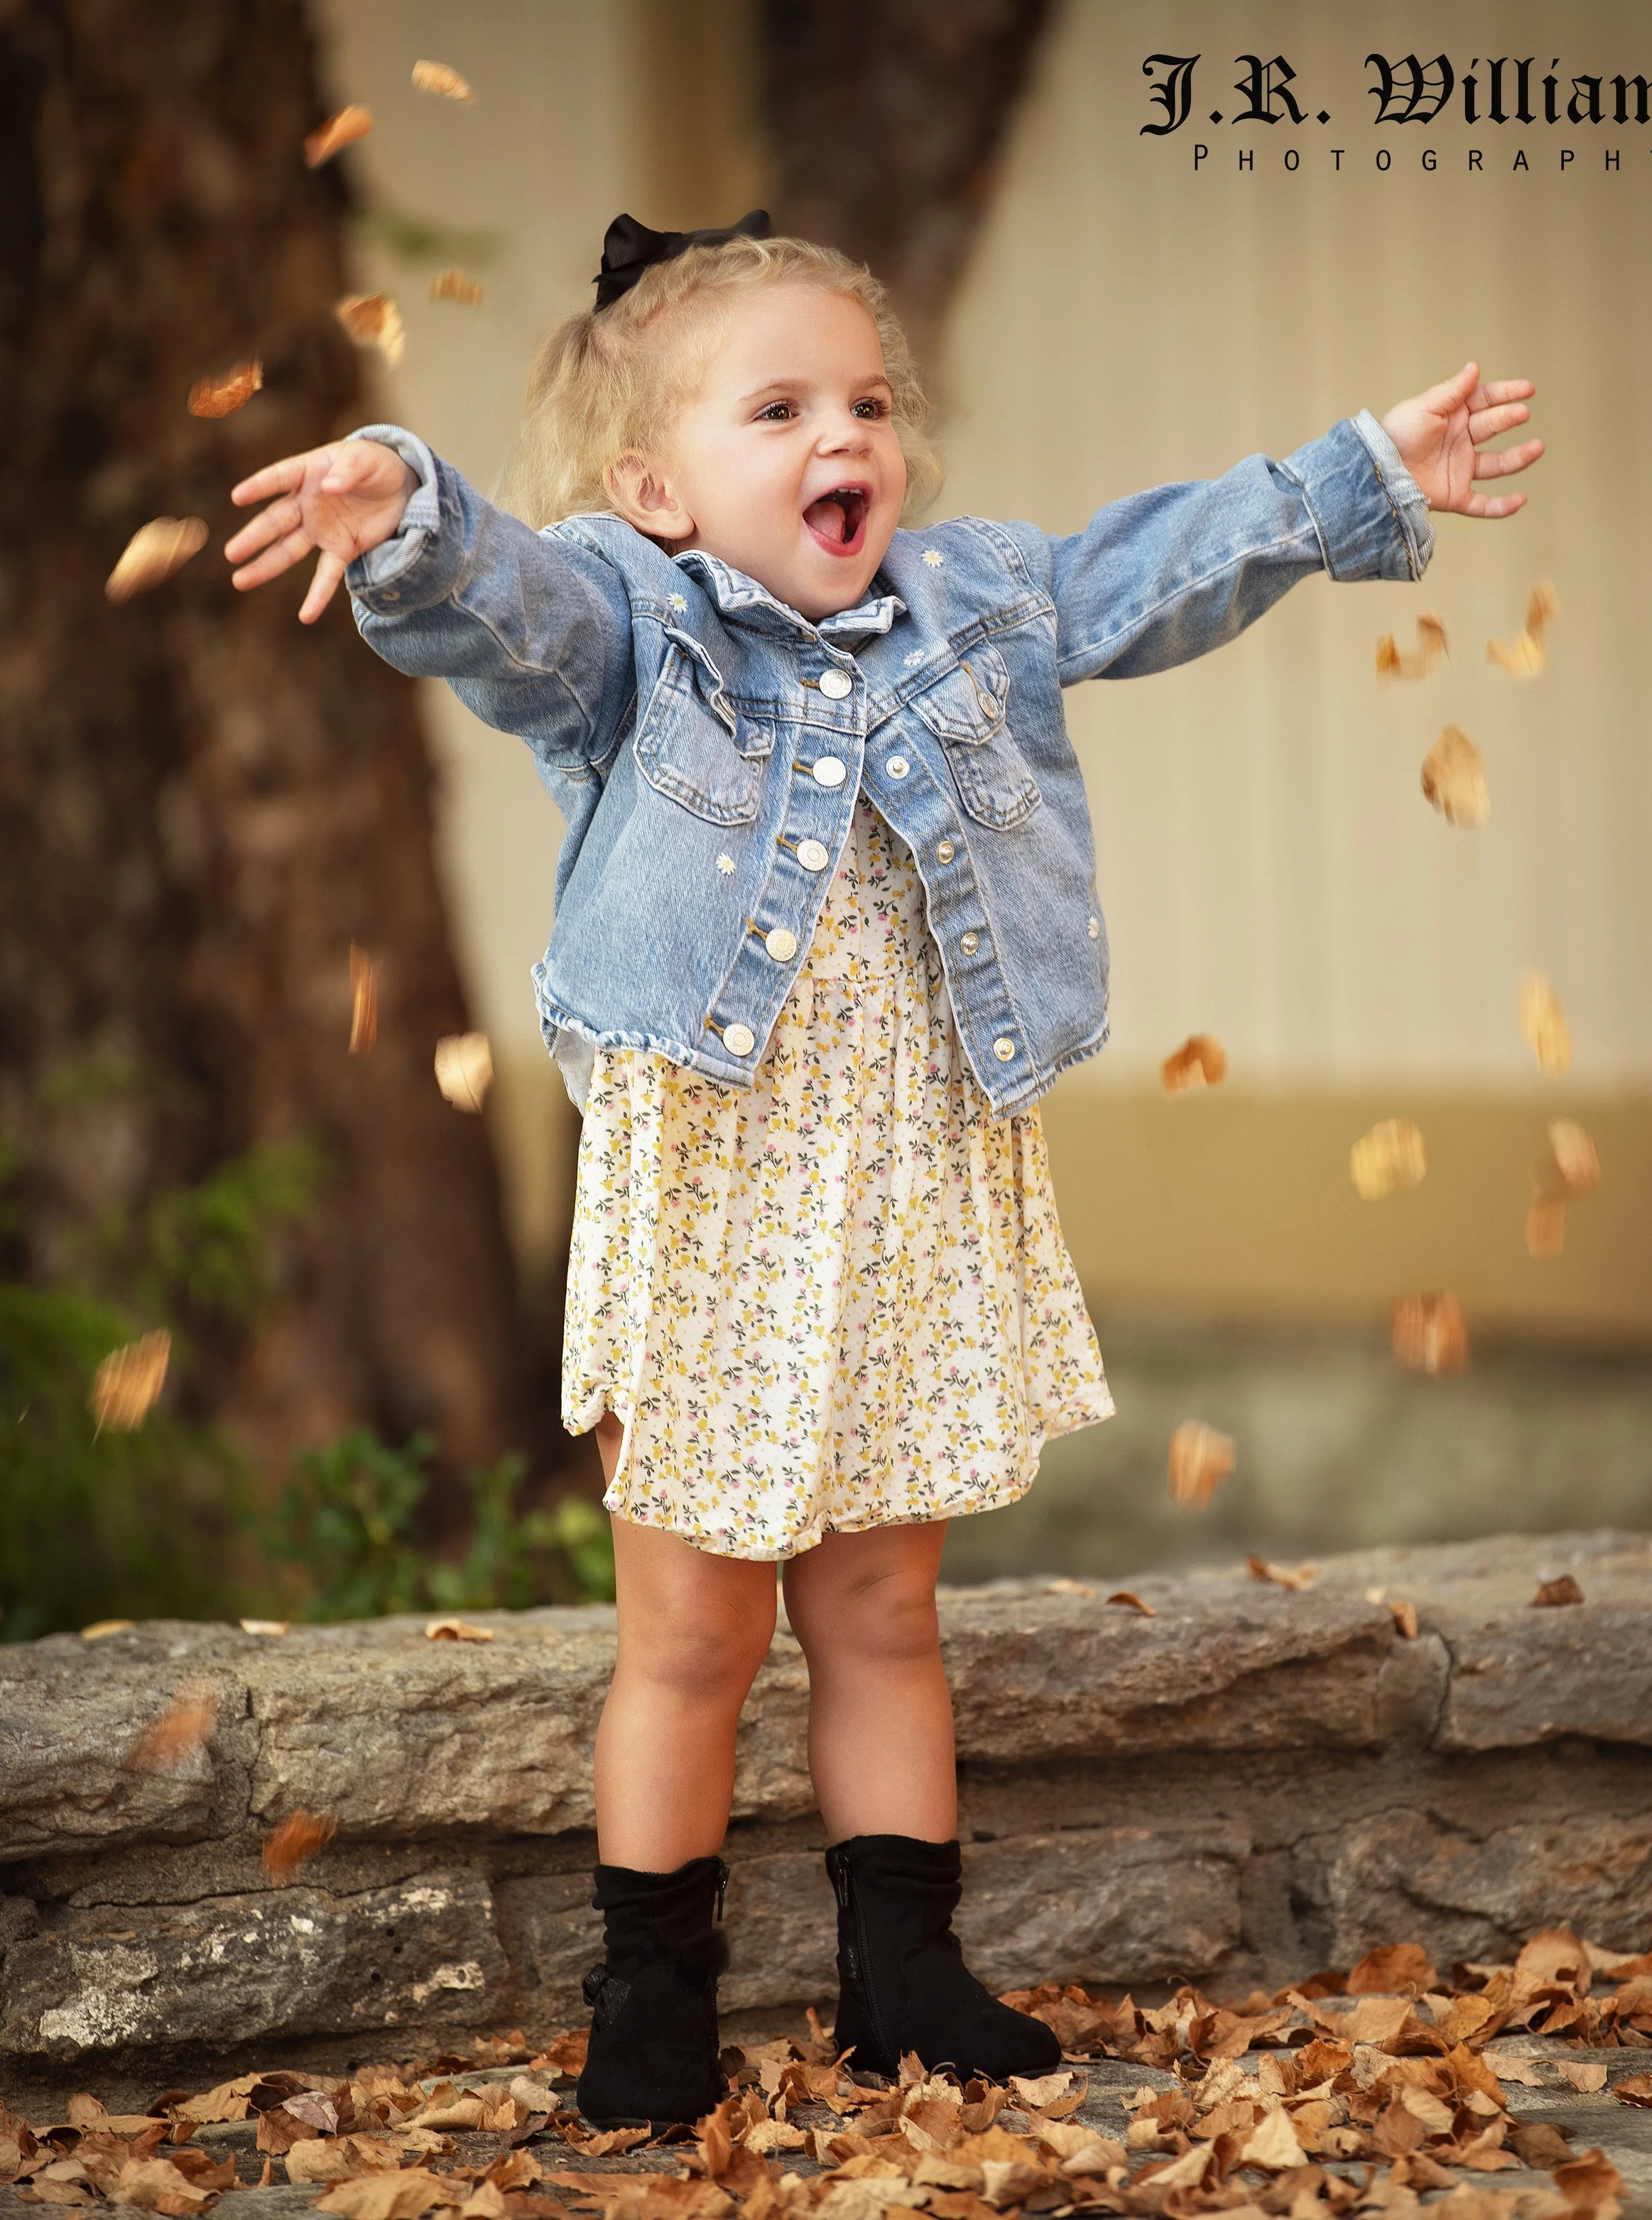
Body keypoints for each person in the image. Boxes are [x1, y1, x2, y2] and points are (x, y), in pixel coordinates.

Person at [224, 212, 1540, 2126]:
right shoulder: (632, 628)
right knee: (690, 1628)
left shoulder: (975, 603)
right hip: (713, 1213)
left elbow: (1141, 571)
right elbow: (503, 610)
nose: (843, 434)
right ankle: (651, 1983)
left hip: (915, 1188)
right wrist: (406, 510)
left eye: (866, 401)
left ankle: (900, 1968)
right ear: (654, 485)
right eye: (778, 407)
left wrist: (1355, 479)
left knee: (883, 1612)